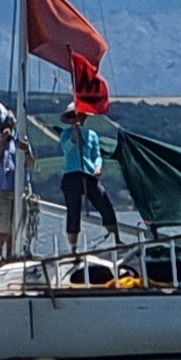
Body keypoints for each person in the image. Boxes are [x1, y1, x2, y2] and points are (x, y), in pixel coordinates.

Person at [58, 95, 122, 250]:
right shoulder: (65, 134)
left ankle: (117, 240)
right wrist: (74, 137)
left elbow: (96, 154)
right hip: (72, 175)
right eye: (72, 116)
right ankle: (73, 249)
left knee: (105, 205)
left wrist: (98, 166)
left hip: (89, 175)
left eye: (78, 115)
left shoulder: (92, 135)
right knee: (73, 213)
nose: (76, 119)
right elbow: (66, 149)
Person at [0, 119, 27, 264]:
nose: (7, 127)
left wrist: (26, 150)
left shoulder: (20, 139)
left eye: (10, 125)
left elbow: (31, 162)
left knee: (15, 224)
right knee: (1, 224)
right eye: (4, 124)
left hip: (18, 189)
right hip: (0, 187)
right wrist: (2, 139)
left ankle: (11, 254)